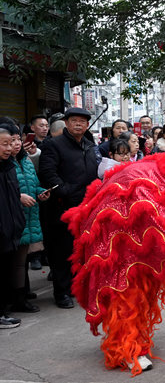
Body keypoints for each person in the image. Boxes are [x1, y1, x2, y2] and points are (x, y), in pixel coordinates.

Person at [38, 107, 99, 309]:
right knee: (61, 252)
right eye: (74, 120)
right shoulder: (53, 145)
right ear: (66, 123)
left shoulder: (90, 146)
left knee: (81, 251)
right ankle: (61, 292)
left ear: (88, 125)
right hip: (62, 208)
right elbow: (48, 172)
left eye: (82, 121)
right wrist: (65, 191)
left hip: (87, 208)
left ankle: (77, 289)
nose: (78, 124)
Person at [10, 126, 50, 313]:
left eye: (19, 139)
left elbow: (32, 184)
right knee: (13, 262)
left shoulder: (25, 160)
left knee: (21, 260)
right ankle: (15, 299)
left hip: (28, 216)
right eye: (11, 141)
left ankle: (22, 294)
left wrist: (40, 192)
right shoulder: (5, 163)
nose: (17, 144)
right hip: (11, 217)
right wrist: (19, 197)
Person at [0, 125, 26, 328]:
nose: (9, 148)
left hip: (10, 229)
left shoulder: (8, 167)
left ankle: (3, 312)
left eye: (11, 143)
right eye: (4, 144)